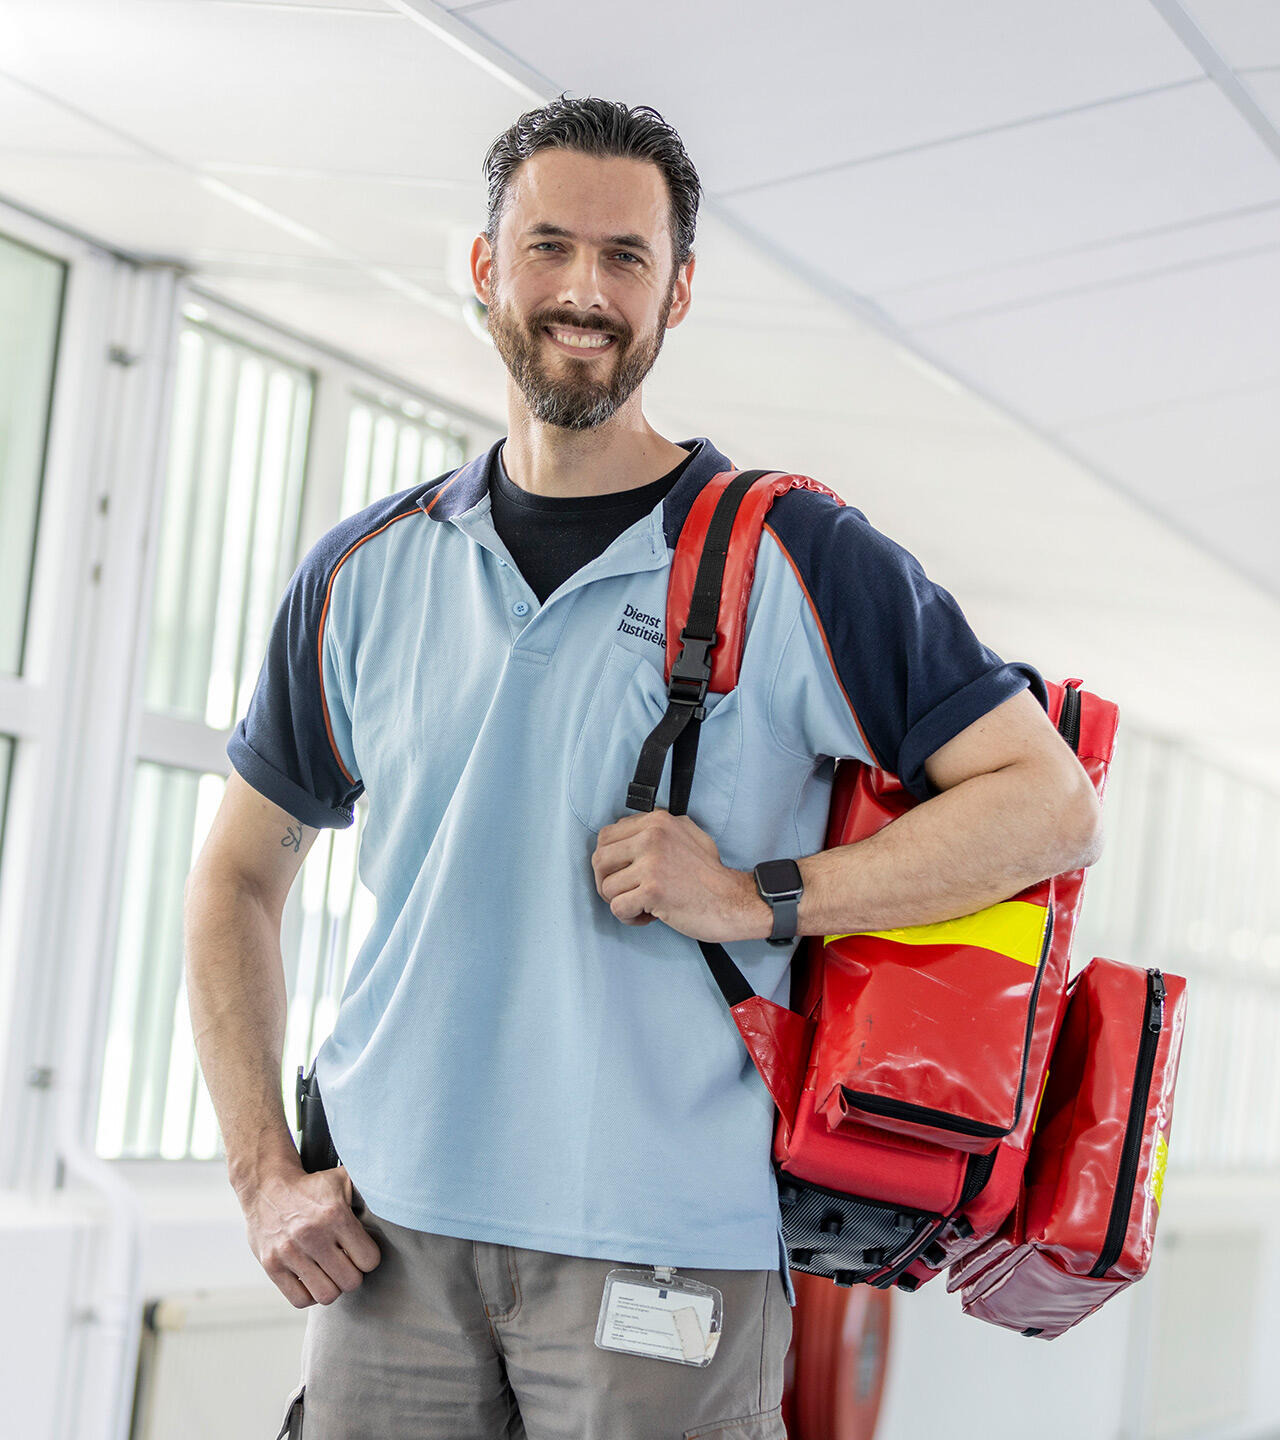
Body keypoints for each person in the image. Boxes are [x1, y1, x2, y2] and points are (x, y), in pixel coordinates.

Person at [184, 95, 1102, 1440]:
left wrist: (761, 893)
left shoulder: (796, 558)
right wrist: (264, 1171)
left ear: (678, 291)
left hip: (668, 1246)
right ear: (489, 266)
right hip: (392, 1241)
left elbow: (1048, 804)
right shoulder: (365, 573)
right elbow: (234, 880)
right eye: (551, 246)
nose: (585, 290)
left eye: (626, 258)